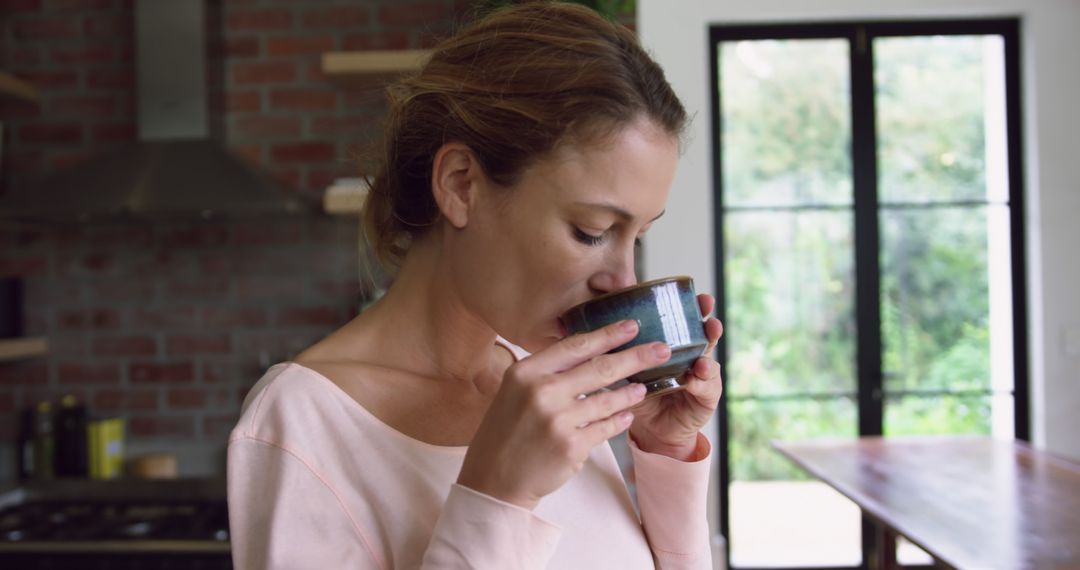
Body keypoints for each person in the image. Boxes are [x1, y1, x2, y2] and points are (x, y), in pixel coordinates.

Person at [226, 2, 724, 568]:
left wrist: (665, 451)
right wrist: (497, 496)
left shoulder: (547, 383)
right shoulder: (302, 423)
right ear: (461, 185)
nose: (623, 281)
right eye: (592, 231)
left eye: (635, 237)